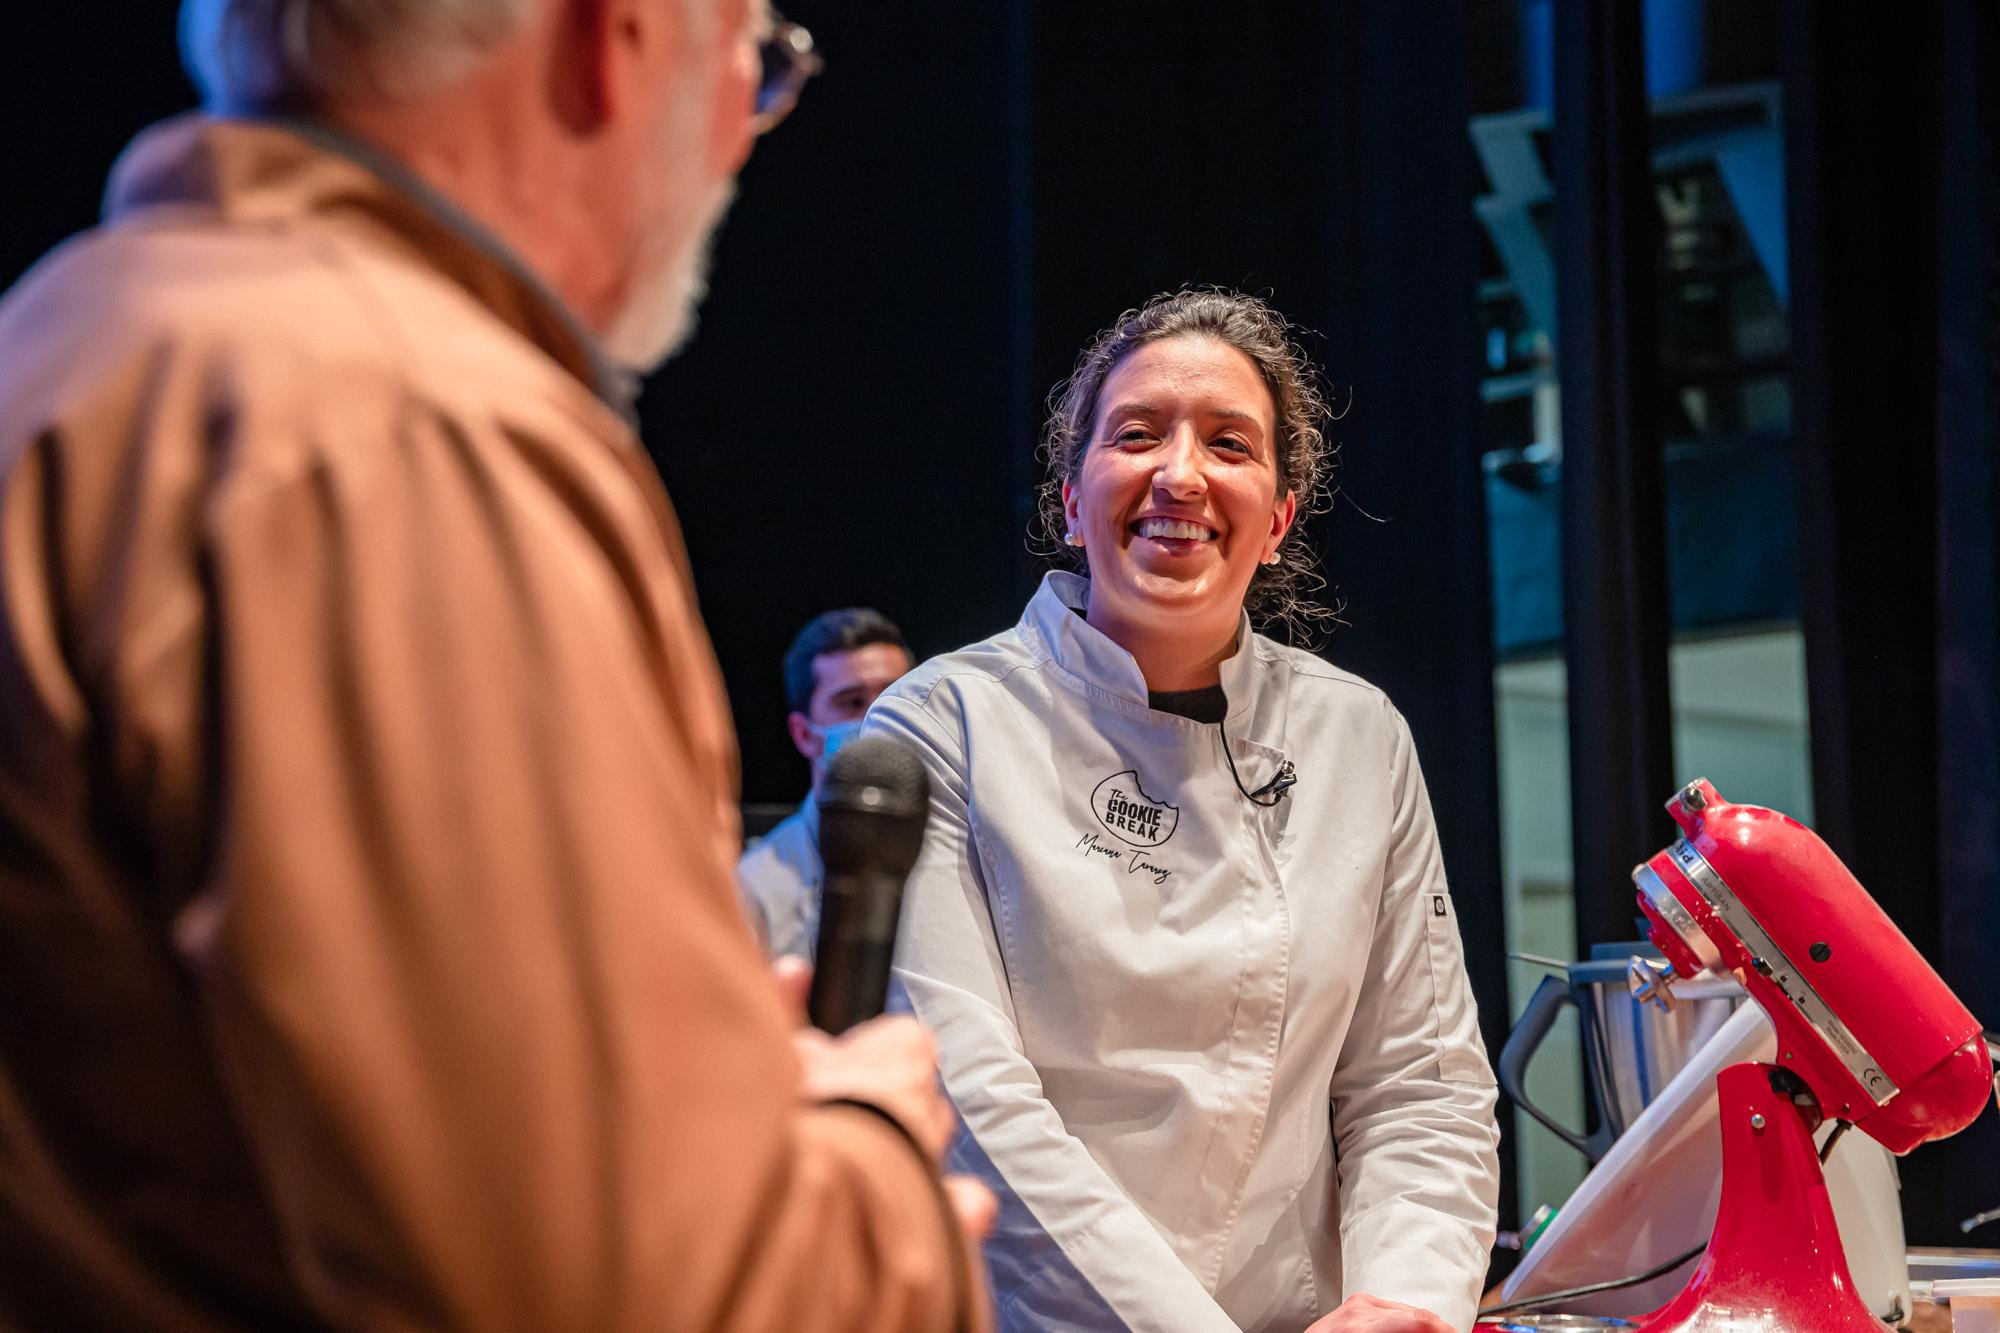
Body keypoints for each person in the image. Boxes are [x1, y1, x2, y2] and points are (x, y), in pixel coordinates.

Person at [0, 0, 990, 1327]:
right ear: (618, 37)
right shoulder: (403, 428)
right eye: (754, 66)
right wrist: (869, 1162)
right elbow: (600, 1291)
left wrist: (680, 1086)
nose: (740, 141)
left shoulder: (63, 336)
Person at [866, 290, 1501, 1332]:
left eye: (1228, 444)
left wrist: (1402, 1300)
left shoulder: (1359, 736)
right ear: (1071, 502)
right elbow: (974, 1107)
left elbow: (1416, 1081)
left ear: (1278, 518)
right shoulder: (940, 724)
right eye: (1135, 435)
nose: (1179, 475)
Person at [740, 607, 915, 959]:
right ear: (803, 734)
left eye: (895, 695)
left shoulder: (968, 845)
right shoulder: (751, 891)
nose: (879, 716)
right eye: (852, 702)